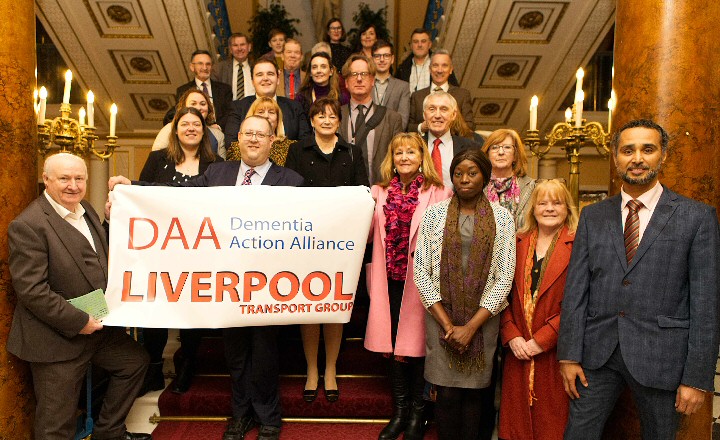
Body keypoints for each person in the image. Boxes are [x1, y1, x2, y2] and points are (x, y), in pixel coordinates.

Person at [109, 116, 304, 440]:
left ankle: (269, 416)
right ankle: (240, 415)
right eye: (248, 134)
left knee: (266, 353)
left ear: (273, 141)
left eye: (261, 134)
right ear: (237, 139)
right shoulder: (217, 173)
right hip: (225, 282)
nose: (254, 139)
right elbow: (177, 195)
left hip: (269, 285)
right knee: (236, 354)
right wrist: (135, 188)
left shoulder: (293, 181)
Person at [557, 119, 720, 440]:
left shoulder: (696, 217)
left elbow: (707, 303)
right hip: (596, 356)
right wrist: (569, 355)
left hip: (663, 357)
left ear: (663, 155)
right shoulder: (593, 215)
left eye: (648, 149)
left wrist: (697, 378)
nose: (637, 158)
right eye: (627, 150)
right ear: (615, 157)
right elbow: (576, 291)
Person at [7, 153, 151, 440]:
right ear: (46, 180)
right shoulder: (29, 225)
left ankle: (108, 432)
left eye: (79, 178)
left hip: (95, 331)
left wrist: (112, 221)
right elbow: (31, 291)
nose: (73, 185)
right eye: (64, 178)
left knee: (135, 362)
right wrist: (78, 322)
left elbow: (100, 254)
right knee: (55, 426)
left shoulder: (84, 208)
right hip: (55, 339)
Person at [414, 148, 515, 440]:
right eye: (459, 174)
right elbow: (421, 273)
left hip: (482, 322)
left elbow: (504, 276)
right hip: (440, 318)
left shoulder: (503, 218)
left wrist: (470, 327)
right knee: (445, 395)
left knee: (474, 398)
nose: (465, 179)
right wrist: (449, 327)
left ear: (484, 176)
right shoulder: (434, 215)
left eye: (472, 173)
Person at [366, 132, 452, 440]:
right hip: (388, 276)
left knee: (416, 347)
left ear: (421, 157)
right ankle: (399, 411)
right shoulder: (378, 191)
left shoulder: (439, 192)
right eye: (399, 152)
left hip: (422, 280)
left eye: (411, 152)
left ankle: (418, 412)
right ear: (392, 157)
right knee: (392, 347)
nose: (405, 157)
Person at [284, 98, 368, 403]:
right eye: (321, 115)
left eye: (333, 115)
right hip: (306, 242)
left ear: (339, 121)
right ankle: (311, 370)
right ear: (312, 120)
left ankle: (330, 369)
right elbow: (288, 193)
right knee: (309, 307)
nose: (327, 119)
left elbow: (364, 192)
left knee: (335, 306)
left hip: (343, 243)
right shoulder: (297, 150)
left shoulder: (352, 152)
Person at [141, 106, 222, 394]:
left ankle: (187, 364)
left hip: (200, 253)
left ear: (205, 132)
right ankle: (151, 369)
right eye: (184, 124)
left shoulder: (218, 165)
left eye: (196, 125)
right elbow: (142, 194)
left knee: (191, 312)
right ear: (175, 130)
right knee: (157, 311)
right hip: (160, 253)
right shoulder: (157, 160)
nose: (190, 128)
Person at [498, 180, 578, 440]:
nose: (550, 208)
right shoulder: (516, 242)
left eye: (557, 203)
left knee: (551, 426)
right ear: (533, 208)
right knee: (516, 427)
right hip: (517, 352)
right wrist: (511, 335)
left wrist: (542, 340)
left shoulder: (579, 244)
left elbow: (581, 302)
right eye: (543, 203)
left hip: (556, 354)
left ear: (567, 208)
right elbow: (500, 294)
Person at [338, 54, 403, 184]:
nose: (359, 79)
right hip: (345, 193)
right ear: (346, 82)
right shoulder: (336, 116)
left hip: (382, 192)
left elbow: (399, 158)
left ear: (373, 80)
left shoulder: (392, 118)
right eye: (354, 74)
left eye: (364, 74)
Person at [224, 57, 311, 149]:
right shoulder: (238, 108)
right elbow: (231, 145)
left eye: (270, 74)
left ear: (278, 79)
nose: (265, 78)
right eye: (259, 75)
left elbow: (305, 143)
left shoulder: (294, 107)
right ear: (252, 81)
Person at [419, 91, 480, 189]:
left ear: (453, 115)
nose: (437, 115)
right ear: (424, 115)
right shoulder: (414, 146)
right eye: (432, 109)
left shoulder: (471, 148)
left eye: (444, 109)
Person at [408, 49, 474, 132]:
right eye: (435, 65)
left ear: (450, 69)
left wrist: (446, 124)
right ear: (429, 69)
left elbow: (470, 126)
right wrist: (421, 127)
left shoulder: (462, 95)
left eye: (444, 66)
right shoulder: (417, 96)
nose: (439, 70)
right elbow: (408, 127)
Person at [482, 128, 535, 230]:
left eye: (507, 147)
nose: (501, 152)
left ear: (515, 155)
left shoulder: (532, 187)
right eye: (495, 147)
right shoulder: (477, 187)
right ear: (487, 154)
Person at [153, 89, 226, 158]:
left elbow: (222, 166)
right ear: (183, 107)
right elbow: (156, 160)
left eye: (203, 104)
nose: (198, 107)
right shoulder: (170, 129)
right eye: (193, 103)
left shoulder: (218, 135)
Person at [226, 96, 295, 166]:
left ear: (278, 119)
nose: (266, 116)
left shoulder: (292, 147)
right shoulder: (236, 148)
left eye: (271, 112)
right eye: (261, 112)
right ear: (252, 116)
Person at [176, 49, 233, 129]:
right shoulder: (183, 91)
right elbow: (178, 114)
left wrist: (218, 127)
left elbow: (229, 114)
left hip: (219, 133)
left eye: (208, 64)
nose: (205, 67)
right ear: (192, 67)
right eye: (200, 64)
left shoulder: (225, 89)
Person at [395, 28, 459, 93]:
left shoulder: (441, 66)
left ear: (429, 44)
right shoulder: (402, 68)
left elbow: (455, 91)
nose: (419, 45)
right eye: (416, 42)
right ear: (411, 46)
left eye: (423, 41)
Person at [372, 40, 411, 128]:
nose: (382, 60)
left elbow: (402, 121)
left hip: (393, 139)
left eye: (386, 56)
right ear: (372, 59)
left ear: (392, 59)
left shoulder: (403, 87)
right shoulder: (364, 84)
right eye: (377, 56)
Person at [295, 52, 349, 116]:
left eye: (323, 67)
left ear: (331, 72)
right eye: (314, 67)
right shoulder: (301, 97)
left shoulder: (342, 97)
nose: (319, 71)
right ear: (310, 73)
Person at [212, 32, 256, 100]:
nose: (239, 48)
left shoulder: (257, 66)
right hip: (231, 109)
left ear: (249, 47)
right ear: (230, 49)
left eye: (242, 44)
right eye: (235, 45)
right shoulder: (219, 69)